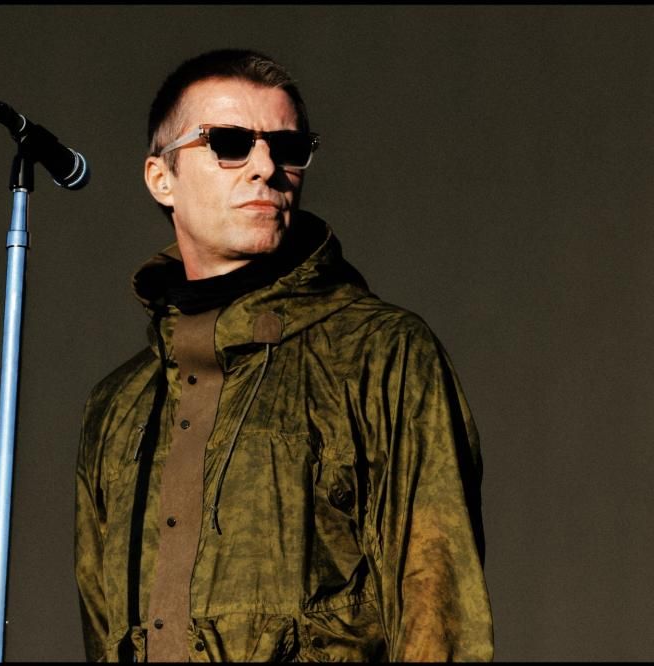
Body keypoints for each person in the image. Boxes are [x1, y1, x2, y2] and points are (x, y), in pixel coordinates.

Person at [74, 49, 493, 662]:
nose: (266, 167)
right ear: (162, 178)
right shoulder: (118, 406)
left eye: (287, 148)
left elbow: (440, 612)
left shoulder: (382, 354)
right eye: (230, 143)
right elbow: (101, 631)